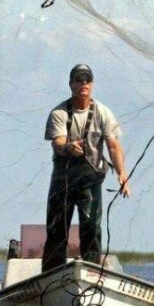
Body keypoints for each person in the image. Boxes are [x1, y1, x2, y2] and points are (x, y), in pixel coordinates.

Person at [43, 64, 131, 271]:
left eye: (87, 80)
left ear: (92, 84)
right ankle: (51, 275)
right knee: (57, 229)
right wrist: (67, 147)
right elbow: (57, 142)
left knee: (91, 228)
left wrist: (122, 174)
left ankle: (90, 273)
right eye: (78, 80)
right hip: (62, 180)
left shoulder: (103, 112)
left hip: (90, 180)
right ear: (71, 83)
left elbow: (113, 145)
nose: (83, 84)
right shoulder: (59, 113)